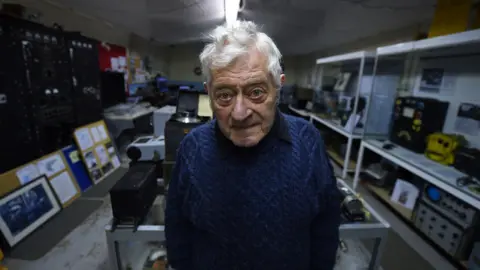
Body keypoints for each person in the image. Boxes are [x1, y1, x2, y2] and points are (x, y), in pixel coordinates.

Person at [165, 21, 340, 270]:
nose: (239, 113)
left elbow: (326, 227)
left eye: (256, 92)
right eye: (224, 95)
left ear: (277, 87)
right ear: (209, 93)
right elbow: (177, 231)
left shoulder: (307, 141)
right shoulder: (192, 148)